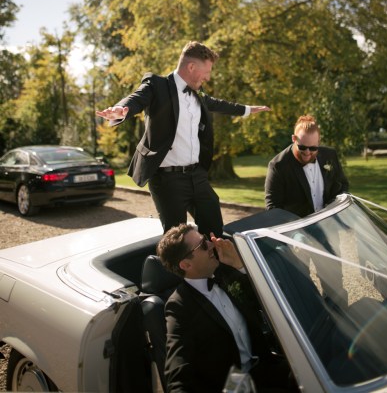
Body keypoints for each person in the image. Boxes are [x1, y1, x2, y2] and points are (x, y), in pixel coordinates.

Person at [96, 41, 270, 236]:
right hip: (167, 180)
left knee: (214, 230)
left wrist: (248, 110)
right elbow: (136, 99)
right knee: (178, 240)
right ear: (191, 66)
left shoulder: (198, 95)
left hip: (197, 176)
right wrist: (121, 110)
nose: (208, 77)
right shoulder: (157, 85)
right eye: (207, 71)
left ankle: (213, 265)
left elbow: (221, 105)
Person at [157, 224, 291, 393]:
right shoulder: (180, 306)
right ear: (186, 264)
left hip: (266, 366)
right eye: (203, 245)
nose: (212, 245)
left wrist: (240, 264)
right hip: (235, 387)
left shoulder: (225, 271)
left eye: (206, 239)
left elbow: (275, 298)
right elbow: (178, 373)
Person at [265, 114, 349, 217]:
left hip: (329, 225)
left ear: (319, 142)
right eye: (302, 147)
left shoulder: (330, 155)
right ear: (294, 139)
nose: (307, 153)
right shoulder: (278, 166)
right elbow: (273, 207)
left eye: (313, 148)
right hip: (297, 229)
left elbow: (342, 185)